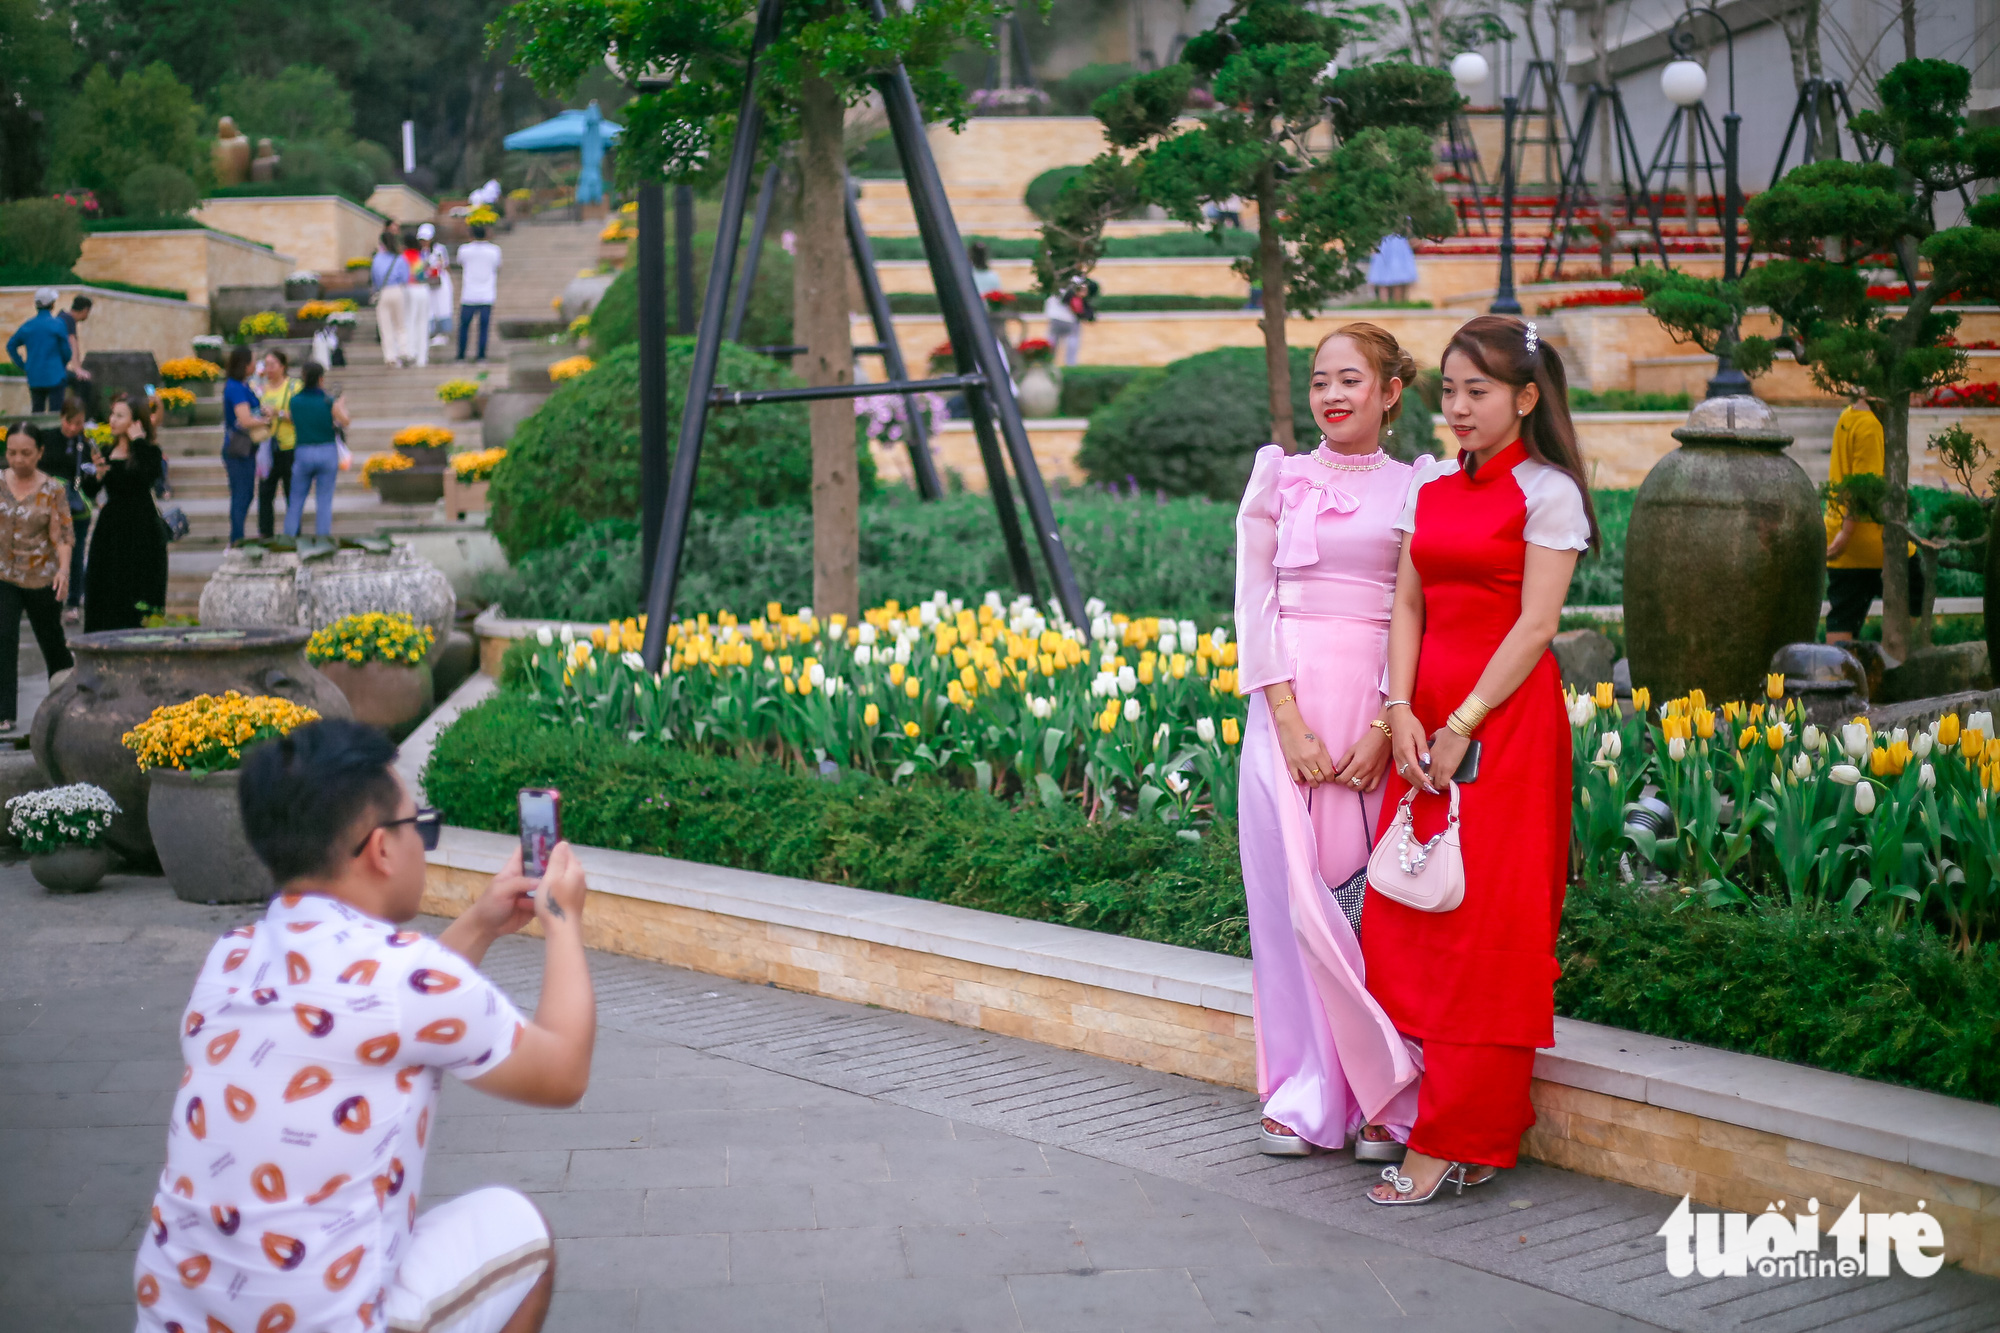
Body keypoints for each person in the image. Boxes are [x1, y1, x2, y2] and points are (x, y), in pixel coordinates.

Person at [132, 718, 596, 1333]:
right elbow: (563, 1071)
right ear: (381, 849)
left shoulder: (230, 958)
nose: (421, 845)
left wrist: (481, 923)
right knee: (522, 1234)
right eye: (419, 828)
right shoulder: (408, 976)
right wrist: (563, 917)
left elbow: (371, 1009)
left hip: (176, 1317)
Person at [1367, 314, 1595, 1206]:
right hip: (1423, 720)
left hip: (1505, 726)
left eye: (1478, 392)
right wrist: (1398, 710)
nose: (1457, 408)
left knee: (1486, 932)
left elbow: (1538, 626)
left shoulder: (1549, 493)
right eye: (1450, 392)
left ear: (1525, 398)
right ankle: (1430, 1111)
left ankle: (1459, 1138)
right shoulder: (1428, 488)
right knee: (1409, 913)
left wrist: (1464, 718)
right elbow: (1408, 610)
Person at [1235, 323, 1427, 1162]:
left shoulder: (1421, 485)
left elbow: (1418, 614)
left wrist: (1390, 721)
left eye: (1352, 379)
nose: (1333, 395)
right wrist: (1285, 718)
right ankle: (1305, 1092)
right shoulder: (1278, 477)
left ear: (1390, 392)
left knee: (1369, 908)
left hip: (1376, 705)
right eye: (1320, 381)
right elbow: (1253, 603)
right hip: (1285, 707)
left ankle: (1386, 1093)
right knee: (1292, 904)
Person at [1824, 394, 1924, 641]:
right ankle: (1891, 659)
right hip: (1872, 538)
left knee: (1843, 615)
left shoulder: (1849, 415)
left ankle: (1835, 675)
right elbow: (1863, 488)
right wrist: (1847, 534)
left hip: (1840, 532)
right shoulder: (1870, 425)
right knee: (1916, 592)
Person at [0, 424, 74, 729]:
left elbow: (63, 536)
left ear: (40, 453)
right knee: (3, 638)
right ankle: (4, 714)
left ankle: (69, 706)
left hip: (41, 576)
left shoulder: (52, 489)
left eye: (26, 453)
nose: (18, 459)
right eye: (12, 453)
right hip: (3, 575)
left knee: (52, 642)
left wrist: (63, 570)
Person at [81, 393, 169, 631]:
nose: (112, 420)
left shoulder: (148, 450)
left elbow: (147, 477)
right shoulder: (107, 450)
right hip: (111, 530)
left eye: (120, 416)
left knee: (139, 589)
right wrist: (97, 475)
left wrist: (138, 441)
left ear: (135, 421)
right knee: (105, 588)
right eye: (112, 414)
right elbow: (89, 490)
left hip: (142, 530)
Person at [31, 396, 93, 614]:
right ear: (61, 418)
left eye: (79, 423)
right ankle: (48, 600)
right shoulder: (47, 439)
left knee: (75, 557)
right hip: (48, 508)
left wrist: (96, 473)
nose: (73, 428)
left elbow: (90, 486)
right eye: (70, 422)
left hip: (75, 510)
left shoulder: (83, 445)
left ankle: (74, 601)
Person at [285, 361, 350, 538]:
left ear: (303, 377)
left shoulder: (295, 401)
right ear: (321, 379)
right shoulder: (328, 401)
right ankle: (322, 539)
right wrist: (341, 404)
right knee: (324, 500)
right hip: (327, 451)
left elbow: (293, 420)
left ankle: (288, 539)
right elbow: (344, 421)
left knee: (296, 500)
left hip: (303, 451)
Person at [220, 345, 266, 545]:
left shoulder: (242, 385)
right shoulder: (236, 388)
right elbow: (245, 419)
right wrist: (267, 421)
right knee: (241, 494)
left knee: (245, 494)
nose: (255, 365)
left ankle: (237, 537)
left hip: (248, 449)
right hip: (239, 450)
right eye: (252, 361)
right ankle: (236, 539)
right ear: (244, 364)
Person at [254, 349, 301, 539]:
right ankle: (266, 534)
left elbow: (300, 416)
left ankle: (294, 535)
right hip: (266, 449)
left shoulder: (294, 387)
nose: (269, 369)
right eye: (266, 365)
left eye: (273, 365)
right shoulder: (260, 388)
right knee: (265, 494)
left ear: (283, 367)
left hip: (289, 447)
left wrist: (278, 413)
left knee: (292, 493)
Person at [7, 288, 72, 412]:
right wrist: (61, 364)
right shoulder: (58, 324)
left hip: (35, 377)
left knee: (37, 411)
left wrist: (23, 365)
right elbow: (66, 352)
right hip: (56, 375)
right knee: (55, 413)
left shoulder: (28, 326)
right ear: (52, 304)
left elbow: (11, 345)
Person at [457, 225, 502, 362]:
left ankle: (461, 355)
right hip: (486, 294)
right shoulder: (494, 250)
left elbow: (460, 263)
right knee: (483, 327)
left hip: (469, 294)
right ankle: (481, 355)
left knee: (464, 327)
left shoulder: (464, 250)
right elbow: (498, 266)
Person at [371, 232, 412, 368]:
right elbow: (405, 277)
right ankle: (404, 351)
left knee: (385, 326)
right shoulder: (399, 258)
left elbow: (374, 278)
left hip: (383, 292)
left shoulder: (377, 259)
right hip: (398, 290)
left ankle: (390, 356)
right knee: (400, 324)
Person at [420, 222, 454, 347]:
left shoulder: (440, 249)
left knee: (442, 306)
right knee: (430, 307)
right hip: (428, 283)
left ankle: (443, 333)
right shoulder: (421, 252)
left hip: (441, 282)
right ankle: (431, 332)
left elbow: (445, 265)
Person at [58, 295, 93, 416]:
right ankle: (83, 417)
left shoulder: (62, 317)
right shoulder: (68, 319)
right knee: (84, 382)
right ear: (85, 310)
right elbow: (72, 343)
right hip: (57, 371)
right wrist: (78, 369)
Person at [401, 231, 431, 367]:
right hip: (423, 289)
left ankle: (410, 352)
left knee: (409, 321)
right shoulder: (420, 256)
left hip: (409, 289)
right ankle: (422, 357)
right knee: (423, 323)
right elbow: (424, 273)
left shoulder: (404, 257)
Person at [1368, 233, 1418, 304]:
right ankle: (1392, 304)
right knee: (1391, 279)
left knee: (1395, 279)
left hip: (1389, 244)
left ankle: (1389, 304)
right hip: (1392, 244)